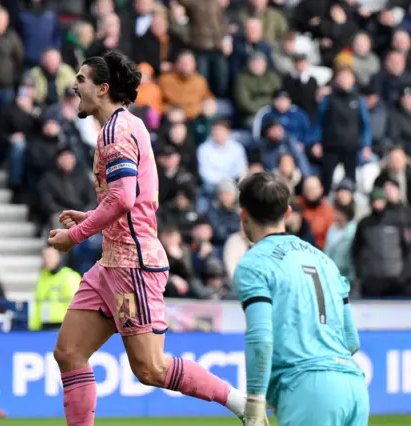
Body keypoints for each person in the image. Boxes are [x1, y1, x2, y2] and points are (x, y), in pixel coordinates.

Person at [46, 51, 247, 425]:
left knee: (151, 368)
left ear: (103, 89)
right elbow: (131, 201)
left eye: (81, 80)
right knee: (69, 351)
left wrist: (75, 235)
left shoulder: (115, 132)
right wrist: (93, 217)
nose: (74, 86)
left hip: (132, 265)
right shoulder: (126, 125)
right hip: (112, 262)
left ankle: (241, 404)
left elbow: (123, 199)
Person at [234, 172, 368, 426]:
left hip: (308, 389)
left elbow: (261, 338)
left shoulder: (254, 264)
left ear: (243, 216)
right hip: (354, 386)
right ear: (287, 213)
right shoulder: (325, 261)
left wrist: (255, 402)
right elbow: (351, 341)